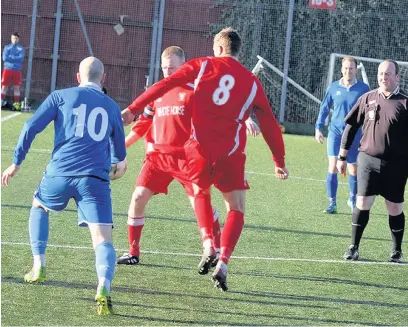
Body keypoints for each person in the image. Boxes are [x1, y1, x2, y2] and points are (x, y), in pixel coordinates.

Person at [121, 27, 288, 291]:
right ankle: (223, 262)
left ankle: (208, 242)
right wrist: (278, 160)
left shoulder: (202, 66)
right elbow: (268, 123)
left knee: (200, 192)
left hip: (197, 149)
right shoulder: (252, 82)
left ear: (219, 49)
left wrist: (133, 107)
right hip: (231, 153)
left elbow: (164, 85)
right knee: (236, 208)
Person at [1, 57, 126, 314]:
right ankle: (103, 285)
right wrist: (117, 165)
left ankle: (39, 266)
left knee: (39, 205)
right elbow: (120, 156)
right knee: (102, 238)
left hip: (59, 174)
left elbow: (30, 126)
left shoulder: (60, 96)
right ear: (103, 79)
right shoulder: (112, 107)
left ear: (78, 77)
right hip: (94, 180)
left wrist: (16, 163)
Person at [117, 46, 260, 266]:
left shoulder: (198, 91)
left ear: (183, 66)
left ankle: (217, 246)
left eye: (172, 68)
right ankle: (133, 251)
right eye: (164, 68)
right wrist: (122, 145)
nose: (167, 72)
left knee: (200, 206)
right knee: (138, 198)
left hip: (188, 159)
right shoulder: (158, 91)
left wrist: (246, 119)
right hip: (158, 159)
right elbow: (143, 124)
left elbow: (224, 110)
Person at [337, 59, 408, 263]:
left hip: (396, 164)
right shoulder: (367, 98)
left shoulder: (404, 102)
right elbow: (350, 127)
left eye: (387, 74)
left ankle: (396, 251)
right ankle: (353, 247)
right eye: (380, 73)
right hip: (367, 160)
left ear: (397, 77)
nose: (383, 77)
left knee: (394, 207)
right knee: (362, 203)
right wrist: (342, 156)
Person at [315, 57, 370, 214]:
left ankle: (352, 199)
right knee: (332, 166)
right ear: (341, 69)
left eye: (351, 68)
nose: (348, 71)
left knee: (353, 168)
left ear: (355, 70)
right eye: (345, 68)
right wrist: (318, 128)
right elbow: (324, 108)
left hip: (354, 134)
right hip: (335, 133)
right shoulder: (333, 87)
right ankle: (332, 203)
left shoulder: (363, 89)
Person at [1, 32, 25, 111]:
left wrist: (10, 57)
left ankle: (16, 104)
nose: (15, 40)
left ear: (18, 39)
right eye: (13, 38)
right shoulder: (7, 47)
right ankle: (1, 102)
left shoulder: (21, 48)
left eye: (16, 38)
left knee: (17, 88)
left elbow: (20, 58)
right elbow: (4, 58)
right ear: (11, 38)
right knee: (4, 86)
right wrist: (15, 58)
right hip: (7, 69)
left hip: (16, 70)